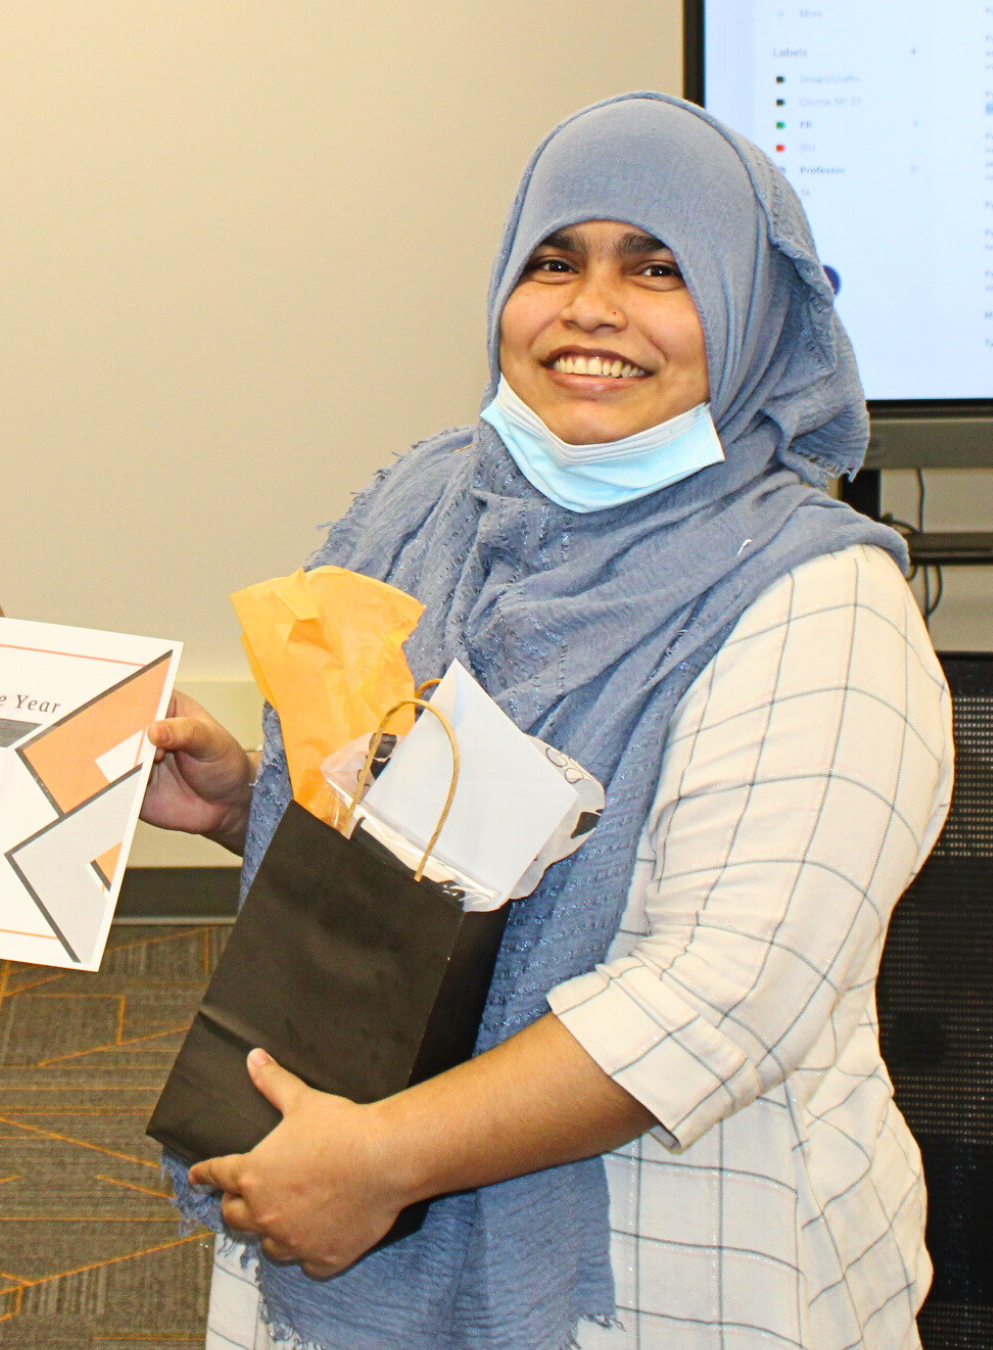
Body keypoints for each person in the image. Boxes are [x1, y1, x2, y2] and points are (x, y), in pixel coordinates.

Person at [143, 93, 952, 1350]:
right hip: (342, 1196)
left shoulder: (820, 603)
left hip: (661, 1271)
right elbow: (420, 836)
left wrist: (384, 1163)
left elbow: (713, 1001)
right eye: (554, 260)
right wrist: (240, 799)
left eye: (661, 268)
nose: (591, 306)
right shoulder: (433, 510)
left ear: (749, 314)